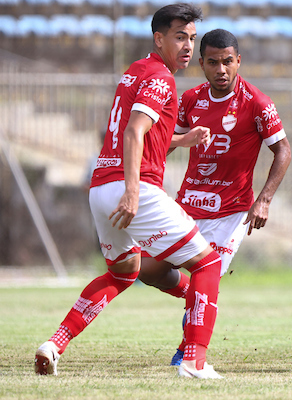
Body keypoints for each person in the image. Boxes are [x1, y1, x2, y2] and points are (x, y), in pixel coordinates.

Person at [34, 3, 225, 380]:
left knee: (123, 274)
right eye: (179, 37)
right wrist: (134, 191)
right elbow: (134, 131)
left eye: (192, 38)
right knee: (208, 263)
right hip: (131, 188)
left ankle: (55, 343)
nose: (188, 46)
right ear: (159, 38)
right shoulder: (160, 79)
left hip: (101, 188)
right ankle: (193, 362)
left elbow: (144, 128)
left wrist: (182, 139)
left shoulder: (137, 71)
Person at [137, 28, 291, 366]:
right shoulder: (190, 99)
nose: (221, 69)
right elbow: (165, 140)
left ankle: (187, 353)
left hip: (230, 213)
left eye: (227, 62)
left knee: (205, 278)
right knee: (146, 269)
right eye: (212, 62)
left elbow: (283, 150)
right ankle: (192, 293)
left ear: (238, 61)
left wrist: (263, 199)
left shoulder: (257, 103)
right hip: (188, 206)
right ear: (202, 64)